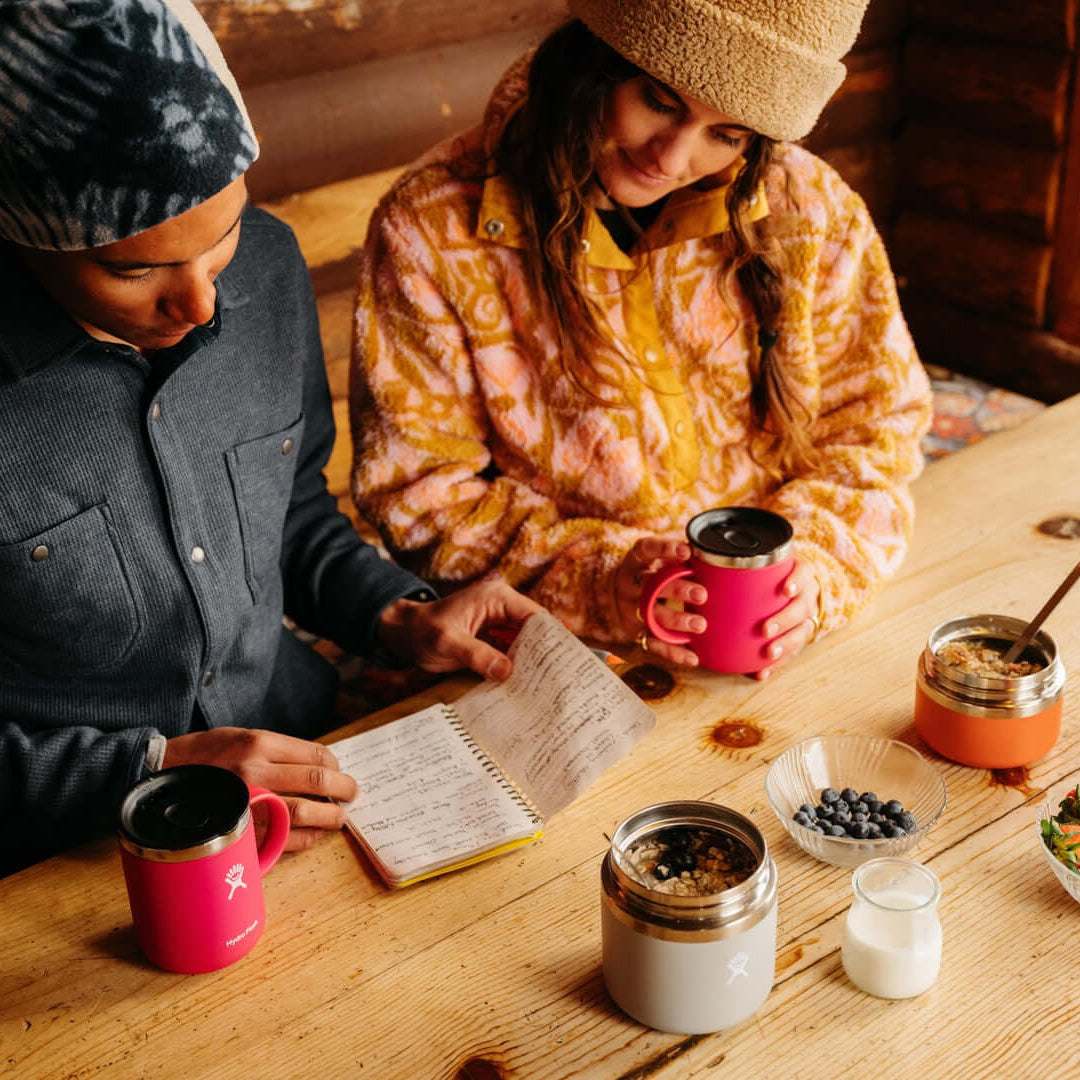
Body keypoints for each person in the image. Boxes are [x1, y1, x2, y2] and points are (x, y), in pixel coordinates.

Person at [0, 0, 541, 876]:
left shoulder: (268, 271)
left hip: (314, 769)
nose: (204, 307)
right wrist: (151, 771)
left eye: (222, 239)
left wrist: (396, 616)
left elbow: (288, 511)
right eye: (135, 270)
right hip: (72, 859)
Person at [351, 0, 932, 675]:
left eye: (728, 134)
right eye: (659, 101)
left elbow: (876, 430)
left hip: (785, 653)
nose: (673, 157)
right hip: (553, 657)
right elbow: (421, 493)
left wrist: (809, 575)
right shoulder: (433, 227)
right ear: (594, 61)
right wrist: (605, 578)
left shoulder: (809, 209)